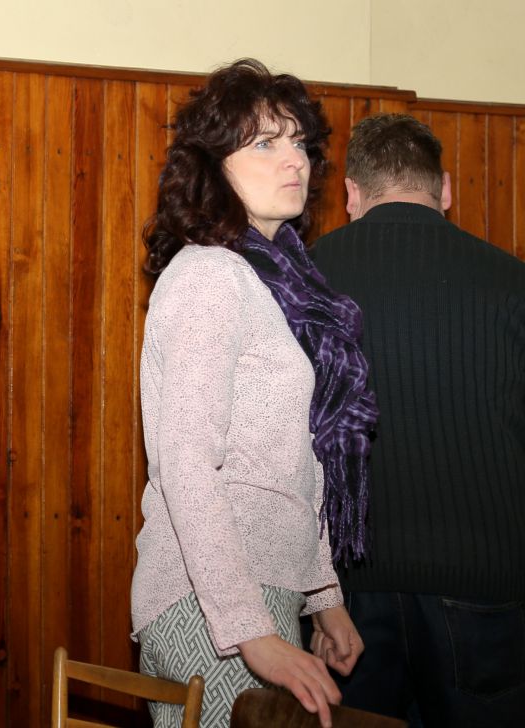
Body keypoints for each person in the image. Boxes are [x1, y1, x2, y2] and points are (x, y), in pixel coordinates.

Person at [131, 58, 377, 728]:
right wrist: (250, 630)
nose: (293, 158)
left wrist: (323, 597)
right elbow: (186, 464)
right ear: (214, 167)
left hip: (258, 593)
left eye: (298, 141)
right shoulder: (210, 275)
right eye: (265, 142)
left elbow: (290, 465)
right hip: (211, 604)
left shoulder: (274, 284)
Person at [311, 114, 525, 727]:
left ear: (352, 193)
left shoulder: (310, 280)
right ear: (445, 189)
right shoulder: (512, 282)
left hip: (347, 593)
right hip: (485, 583)